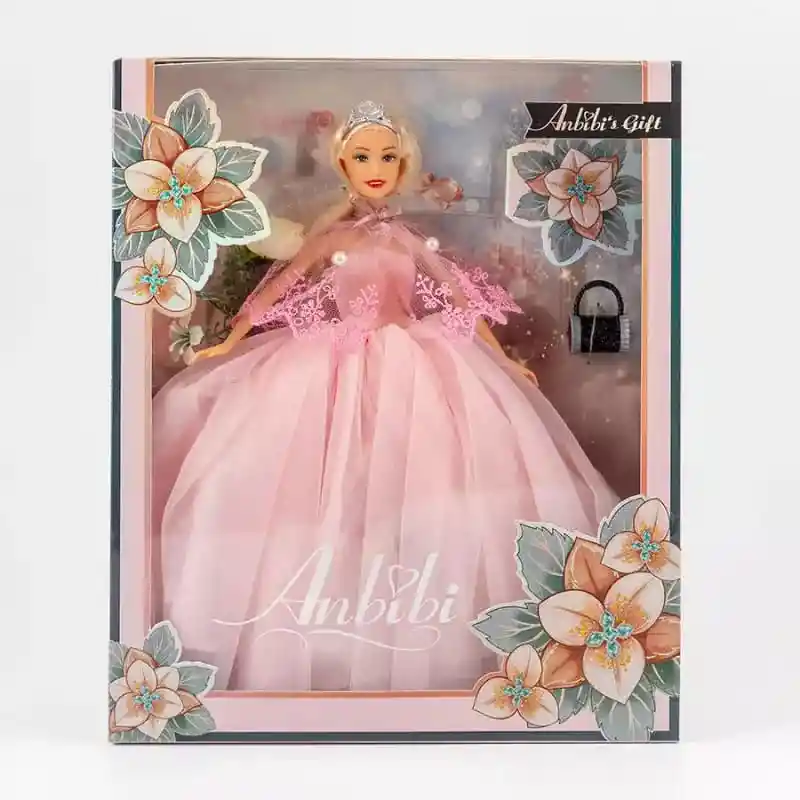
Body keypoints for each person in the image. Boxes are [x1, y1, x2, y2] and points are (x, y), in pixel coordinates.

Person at [152, 101, 618, 691]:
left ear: (403, 166)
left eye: (387, 158)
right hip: (333, 363)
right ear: (343, 164)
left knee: (425, 485)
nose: (376, 168)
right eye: (363, 157)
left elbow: (460, 303)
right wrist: (228, 342)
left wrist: (504, 359)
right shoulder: (332, 238)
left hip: (411, 366)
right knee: (319, 487)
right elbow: (279, 288)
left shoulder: (408, 239)